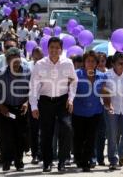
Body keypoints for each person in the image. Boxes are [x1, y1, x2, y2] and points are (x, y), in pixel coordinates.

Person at [30, 37, 78, 172]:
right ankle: (47, 162)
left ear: (61, 49)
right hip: (45, 101)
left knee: (67, 128)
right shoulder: (40, 64)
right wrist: (33, 106)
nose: (54, 50)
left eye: (57, 47)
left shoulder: (68, 63)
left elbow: (74, 81)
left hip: (63, 101)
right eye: (52, 47)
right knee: (46, 133)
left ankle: (62, 161)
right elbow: (33, 86)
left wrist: (71, 98)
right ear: (48, 48)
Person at [0, 38, 29, 165]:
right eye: (12, 60)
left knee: (20, 135)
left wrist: (26, 103)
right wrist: (1, 106)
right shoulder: (0, 74)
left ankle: (19, 160)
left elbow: (32, 89)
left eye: (17, 59)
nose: (15, 63)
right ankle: (6, 161)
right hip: (5, 109)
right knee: (6, 136)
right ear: (7, 61)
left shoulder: (27, 72)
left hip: (21, 108)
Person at [72, 50, 107, 172]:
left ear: (97, 63)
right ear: (84, 62)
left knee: (91, 138)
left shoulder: (102, 76)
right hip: (78, 112)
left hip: (95, 112)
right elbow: (70, 91)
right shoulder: (76, 74)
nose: (90, 63)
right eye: (88, 61)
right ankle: (78, 158)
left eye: (93, 61)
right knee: (79, 138)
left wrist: (109, 105)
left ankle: (86, 161)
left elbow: (104, 92)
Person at [28, 47, 44, 164]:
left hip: (45, 101)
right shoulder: (28, 66)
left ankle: (44, 153)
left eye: (40, 55)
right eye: (35, 54)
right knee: (34, 129)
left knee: (45, 129)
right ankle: (35, 154)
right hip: (32, 101)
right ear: (32, 55)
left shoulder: (46, 66)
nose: (37, 57)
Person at [91, 52, 107, 167]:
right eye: (99, 61)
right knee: (93, 133)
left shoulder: (108, 74)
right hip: (93, 107)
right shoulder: (91, 74)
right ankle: (93, 157)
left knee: (102, 134)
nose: (101, 63)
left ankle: (100, 158)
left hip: (105, 108)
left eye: (103, 61)